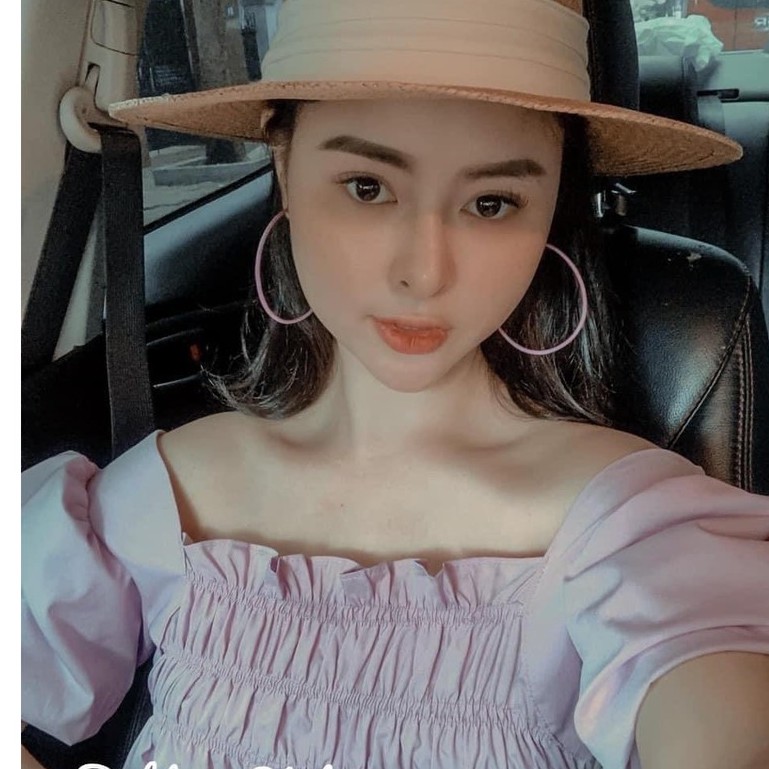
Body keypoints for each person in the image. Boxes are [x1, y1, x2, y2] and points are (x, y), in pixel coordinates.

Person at [22, 1, 769, 768]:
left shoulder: (636, 528)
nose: (424, 271)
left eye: (491, 203)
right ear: (283, 165)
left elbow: (718, 702)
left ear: (550, 208)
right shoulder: (166, 494)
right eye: (367, 187)